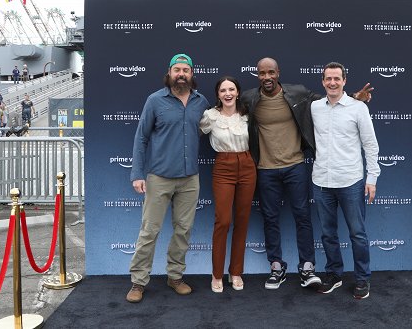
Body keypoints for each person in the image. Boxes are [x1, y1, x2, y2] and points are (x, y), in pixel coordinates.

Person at [241, 57, 372, 290]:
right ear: (257, 75)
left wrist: (354, 96)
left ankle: (312, 268)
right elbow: (229, 109)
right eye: (262, 73)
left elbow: (334, 101)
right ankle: (279, 267)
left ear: (278, 72)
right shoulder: (250, 98)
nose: (267, 77)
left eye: (271, 72)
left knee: (312, 220)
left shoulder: (299, 94)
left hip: (302, 168)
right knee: (273, 220)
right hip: (271, 170)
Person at [126, 53, 210, 304]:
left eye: (186, 70)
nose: (181, 74)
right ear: (169, 73)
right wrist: (137, 174)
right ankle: (138, 282)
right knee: (149, 231)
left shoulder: (201, 101)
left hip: (189, 179)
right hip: (159, 178)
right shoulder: (155, 100)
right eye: (177, 70)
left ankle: (175, 277)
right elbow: (141, 138)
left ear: (192, 74)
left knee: (183, 231)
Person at [311, 62, 380, 299]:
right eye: (328, 79)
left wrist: (372, 177)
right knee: (328, 234)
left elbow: (370, 144)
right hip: (322, 181)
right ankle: (334, 274)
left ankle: (362, 279)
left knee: (357, 233)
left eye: (337, 79)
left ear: (344, 81)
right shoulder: (314, 107)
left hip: (351, 181)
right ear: (322, 81)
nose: (332, 83)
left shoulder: (358, 108)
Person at [199, 77, 256, 293]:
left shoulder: (248, 116)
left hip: (248, 164)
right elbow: (191, 132)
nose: (228, 93)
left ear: (238, 92)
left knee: (242, 220)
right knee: (223, 220)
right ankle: (216, 275)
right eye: (223, 90)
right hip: (223, 166)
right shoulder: (210, 116)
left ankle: (236, 272)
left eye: (231, 89)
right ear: (218, 95)